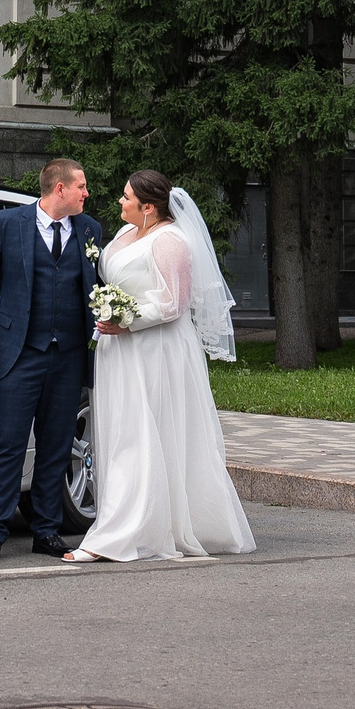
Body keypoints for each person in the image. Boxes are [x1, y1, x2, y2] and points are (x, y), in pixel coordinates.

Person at [64, 170, 255, 563]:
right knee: (120, 434)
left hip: (156, 350)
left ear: (148, 208)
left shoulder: (171, 241)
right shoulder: (122, 236)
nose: (120, 202)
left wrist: (126, 320)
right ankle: (125, 521)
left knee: (145, 434)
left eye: (127, 197)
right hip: (118, 349)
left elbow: (173, 304)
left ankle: (124, 533)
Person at [0, 158, 101, 565]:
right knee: (10, 445)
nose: (87, 193)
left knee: (55, 445)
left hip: (67, 355)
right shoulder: (10, 223)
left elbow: (101, 285)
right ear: (59, 189)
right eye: (81, 186)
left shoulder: (89, 231)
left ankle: (45, 531)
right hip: (22, 352)